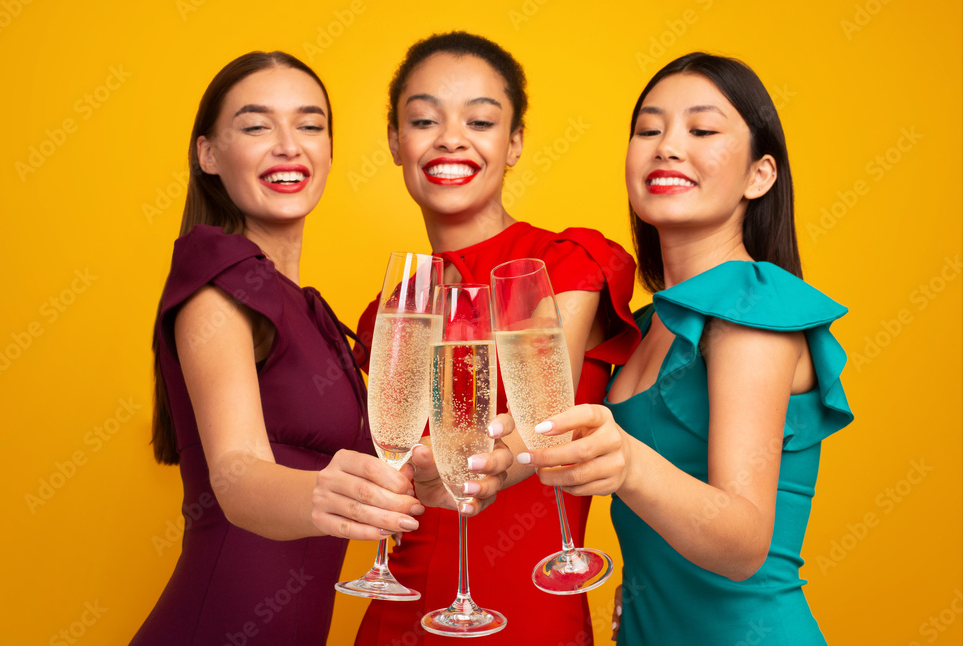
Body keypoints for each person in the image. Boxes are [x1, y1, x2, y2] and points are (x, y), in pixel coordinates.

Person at [130, 51, 512, 646]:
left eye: (309, 126)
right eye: (257, 126)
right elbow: (237, 478)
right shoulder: (217, 285)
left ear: (330, 151)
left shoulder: (306, 307)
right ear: (208, 154)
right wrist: (328, 492)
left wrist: (420, 482)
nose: (288, 145)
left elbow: (342, 467)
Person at [520, 53, 855, 645]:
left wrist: (626, 460)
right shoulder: (648, 325)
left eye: (701, 131)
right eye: (648, 129)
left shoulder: (754, 312)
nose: (667, 147)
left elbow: (744, 543)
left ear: (760, 175)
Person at [353, 32, 640, 645]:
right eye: (425, 119)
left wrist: (482, 467)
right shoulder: (391, 312)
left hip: (526, 610)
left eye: (479, 120)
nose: (450, 137)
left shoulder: (563, 264)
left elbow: (540, 422)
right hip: (399, 608)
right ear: (395, 143)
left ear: (512, 145)